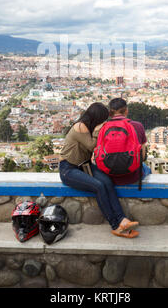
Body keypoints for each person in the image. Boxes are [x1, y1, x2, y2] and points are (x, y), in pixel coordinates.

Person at [59, 102, 139, 238]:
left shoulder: (89, 127)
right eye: (102, 119)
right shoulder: (80, 126)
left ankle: (122, 219)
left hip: (85, 166)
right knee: (99, 186)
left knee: (107, 182)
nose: (104, 122)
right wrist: (97, 131)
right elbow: (91, 146)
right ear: (97, 117)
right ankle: (115, 225)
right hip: (68, 169)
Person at [107, 97, 151, 186]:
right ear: (126, 111)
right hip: (133, 175)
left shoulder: (104, 128)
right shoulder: (138, 126)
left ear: (110, 113)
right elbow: (142, 155)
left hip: (110, 175)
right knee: (147, 169)